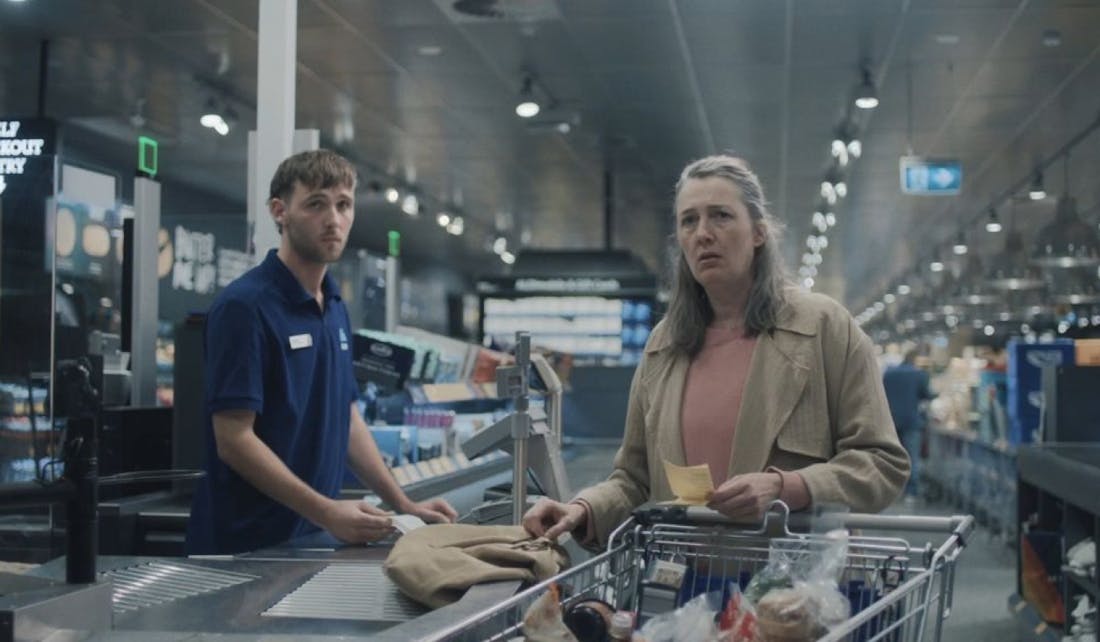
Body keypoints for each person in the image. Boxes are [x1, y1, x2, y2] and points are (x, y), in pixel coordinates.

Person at [523, 155, 909, 547]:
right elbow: (633, 478)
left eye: (721, 216)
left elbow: (881, 463)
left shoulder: (824, 328)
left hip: (787, 587)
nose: (703, 233)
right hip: (682, 587)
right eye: (689, 220)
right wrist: (583, 508)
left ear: (759, 232)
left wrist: (786, 487)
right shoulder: (664, 346)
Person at [187, 150, 456, 554]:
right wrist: (327, 512)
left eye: (343, 205)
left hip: (307, 540)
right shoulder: (245, 307)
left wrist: (402, 504)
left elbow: (344, 416)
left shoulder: (333, 307)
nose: (333, 219)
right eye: (316, 204)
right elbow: (234, 439)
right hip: (245, 549)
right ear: (280, 212)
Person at [882, 349, 934, 501]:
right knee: (912, 458)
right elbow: (927, 395)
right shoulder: (919, 375)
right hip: (911, 422)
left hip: (890, 421)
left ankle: (889, 490)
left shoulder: (888, 374)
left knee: (891, 456)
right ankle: (911, 492)